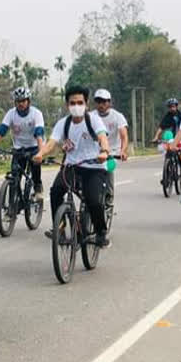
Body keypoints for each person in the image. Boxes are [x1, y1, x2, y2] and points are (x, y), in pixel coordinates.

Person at [33, 85, 111, 248]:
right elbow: (52, 143)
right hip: (71, 167)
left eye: (80, 102)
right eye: (72, 103)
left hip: (94, 167)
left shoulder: (93, 120)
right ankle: (59, 228)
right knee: (55, 192)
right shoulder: (63, 123)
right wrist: (41, 154)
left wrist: (104, 151)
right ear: (67, 105)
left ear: (86, 104)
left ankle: (101, 232)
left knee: (93, 201)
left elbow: (103, 137)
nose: (76, 106)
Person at [0, 87, 46, 202]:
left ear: (28, 101)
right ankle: (11, 207)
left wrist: (41, 153)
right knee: (15, 177)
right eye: (18, 101)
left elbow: (39, 133)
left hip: (34, 146)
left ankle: (38, 188)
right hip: (19, 148)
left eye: (23, 101)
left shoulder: (36, 113)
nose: (21, 104)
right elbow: (2, 130)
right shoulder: (11, 114)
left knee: (35, 170)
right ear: (15, 102)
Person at [93, 88, 128, 203]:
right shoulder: (90, 116)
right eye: (98, 101)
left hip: (113, 152)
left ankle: (109, 197)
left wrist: (123, 151)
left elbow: (124, 135)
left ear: (109, 102)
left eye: (104, 101)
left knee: (108, 169)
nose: (101, 104)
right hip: (95, 151)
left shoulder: (117, 116)